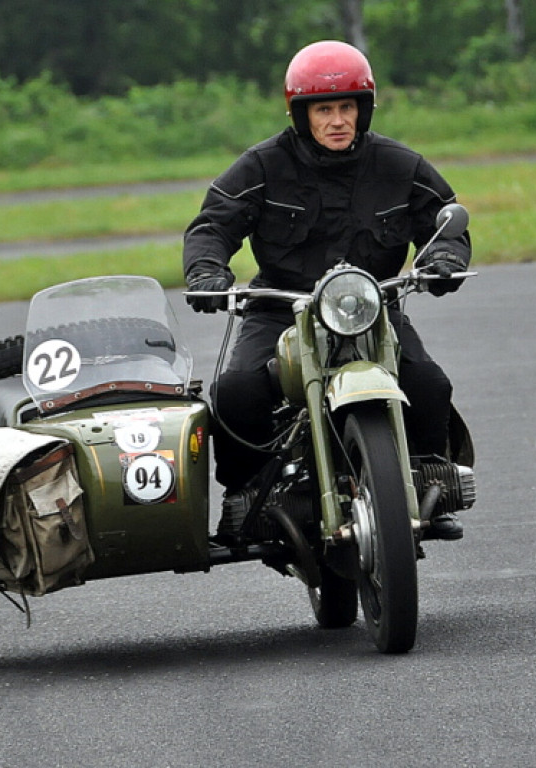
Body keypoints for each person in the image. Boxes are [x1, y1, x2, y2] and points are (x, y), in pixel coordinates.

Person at [182, 39, 471, 541]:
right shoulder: (263, 165)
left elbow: (445, 222)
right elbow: (212, 225)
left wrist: (444, 259)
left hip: (371, 308)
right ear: (302, 114)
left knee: (428, 383)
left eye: (346, 108)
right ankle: (245, 496)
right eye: (324, 110)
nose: (337, 120)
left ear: (363, 109)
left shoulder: (400, 165)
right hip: (281, 308)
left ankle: (428, 483)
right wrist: (207, 272)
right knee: (235, 392)